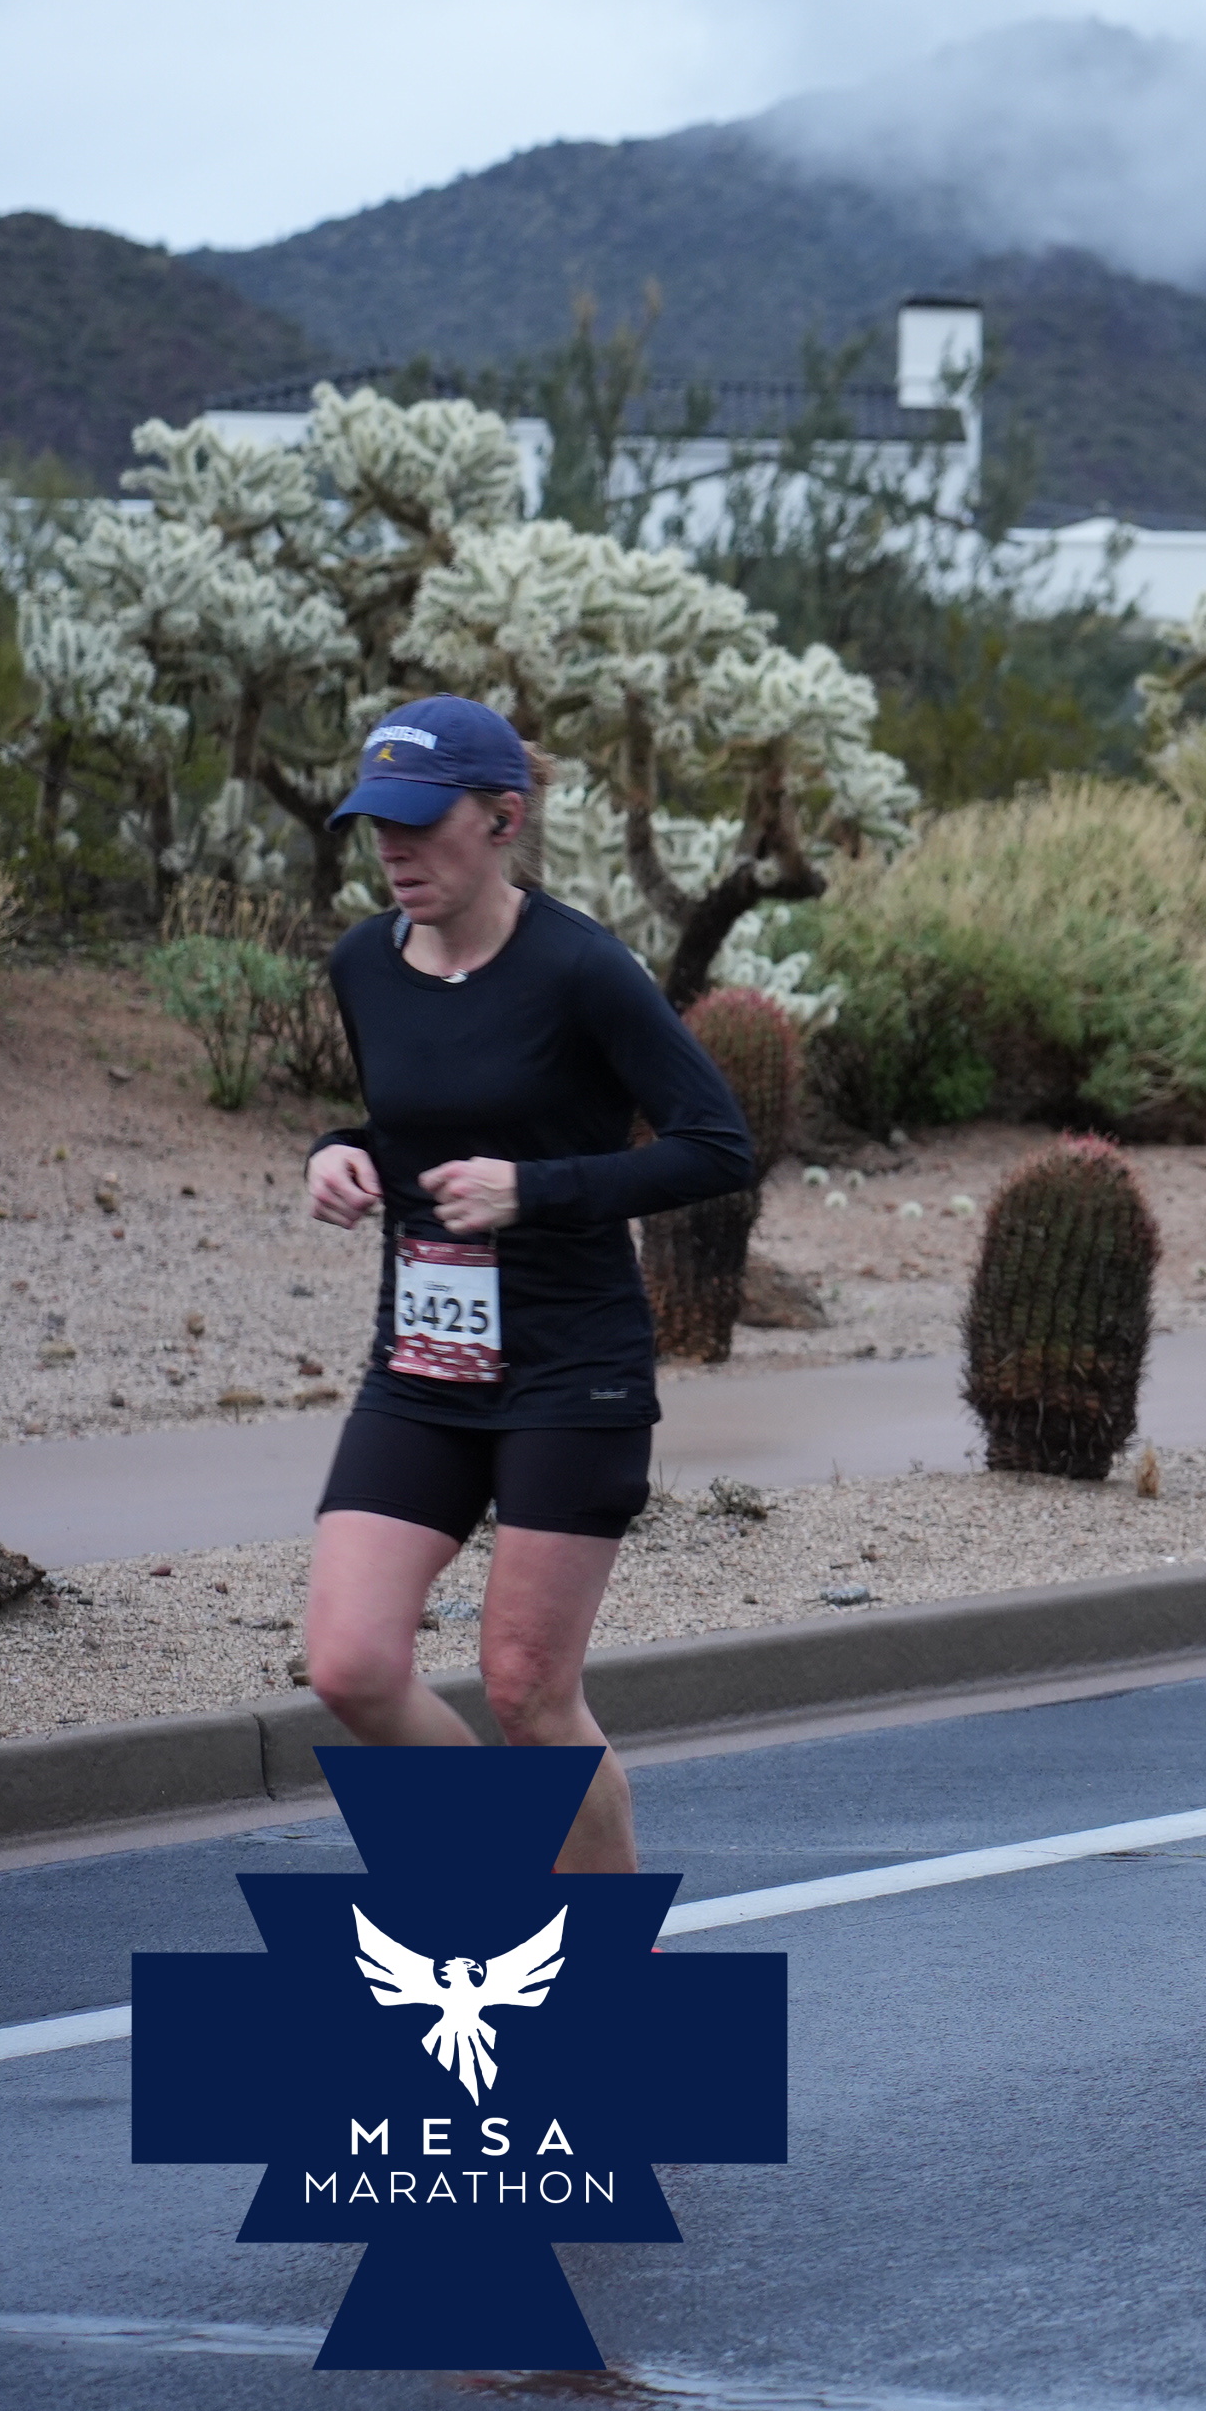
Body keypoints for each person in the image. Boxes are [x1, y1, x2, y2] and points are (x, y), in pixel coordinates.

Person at [294, 697, 755, 1876]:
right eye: (377, 824)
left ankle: (604, 1956)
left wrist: (534, 1191)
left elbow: (716, 1146)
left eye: (419, 822)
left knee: (528, 1693)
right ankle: (506, 1888)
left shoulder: (581, 968)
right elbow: (419, 1121)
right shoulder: (363, 964)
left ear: (502, 820)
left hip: (570, 1369)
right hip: (423, 1366)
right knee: (350, 1664)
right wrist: (338, 1153)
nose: (393, 849)